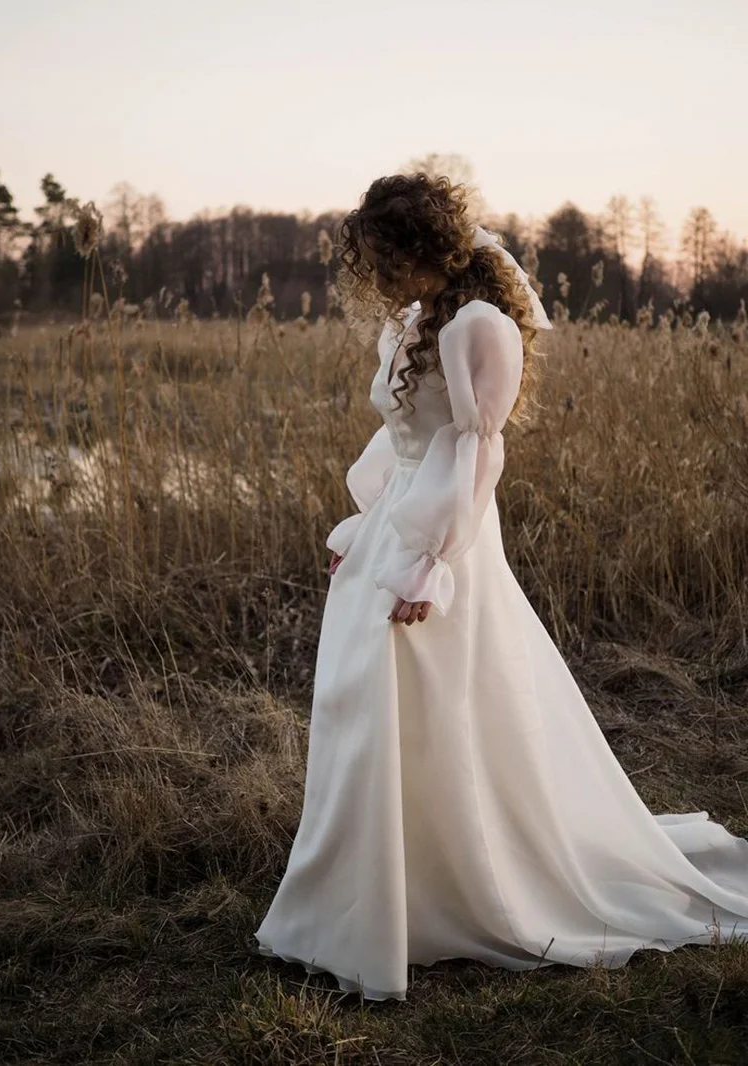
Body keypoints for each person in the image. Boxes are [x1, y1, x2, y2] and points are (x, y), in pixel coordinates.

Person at [253, 172, 748, 1001]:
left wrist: (426, 564)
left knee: (431, 702)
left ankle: (451, 888)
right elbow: (404, 440)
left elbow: (474, 456)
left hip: (443, 545)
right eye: (366, 257)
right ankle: (376, 888)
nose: (375, 273)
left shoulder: (479, 324)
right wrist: (365, 525)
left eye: (386, 255)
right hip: (399, 528)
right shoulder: (418, 318)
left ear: (425, 248)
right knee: (366, 706)